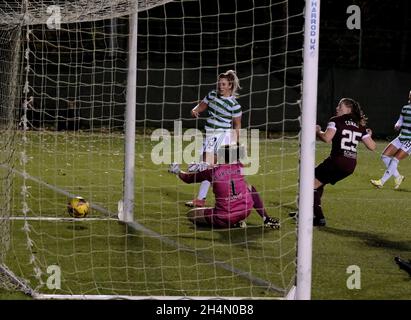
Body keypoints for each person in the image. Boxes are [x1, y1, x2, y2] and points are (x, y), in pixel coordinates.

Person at [168, 145, 280, 229]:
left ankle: (233, 224)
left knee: (191, 214)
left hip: (223, 217)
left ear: (220, 156)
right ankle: (266, 218)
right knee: (249, 187)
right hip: (245, 211)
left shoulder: (211, 172)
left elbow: (188, 179)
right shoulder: (239, 166)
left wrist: (178, 171)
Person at [313, 98, 376, 226]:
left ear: (348, 109)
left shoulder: (336, 120)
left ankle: (318, 218)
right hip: (350, 165)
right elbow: (372, 147)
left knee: (308, 184)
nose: (337, 108)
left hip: (337, 161)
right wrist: (367, 134)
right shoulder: (360, 125)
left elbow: (326, 138)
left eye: (339, 106)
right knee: (318, 182)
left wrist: (317, 131)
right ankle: (310, 210)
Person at [186, 70, 242, 208]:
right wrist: (194, 110)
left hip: (222, 136)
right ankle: (201, 198)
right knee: (210, 168)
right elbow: (201, 106)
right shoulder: (212, 95)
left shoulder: (234, 105)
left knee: (207, 165)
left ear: (230, 86)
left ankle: (219, 198)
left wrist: (235, 143)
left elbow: (237, 125)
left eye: (223, 84)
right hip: (209, 134)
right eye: (219, 83)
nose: (220, 86)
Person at [370, 90, 411, 189]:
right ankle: (398, 177)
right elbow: (400, 121)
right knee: (384, 156)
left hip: (410, 140)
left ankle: (381, 182)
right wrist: (397, 125)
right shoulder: (405, 108)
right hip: (401, 137)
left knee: (395, 159)